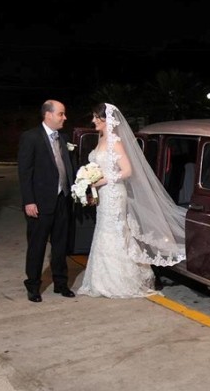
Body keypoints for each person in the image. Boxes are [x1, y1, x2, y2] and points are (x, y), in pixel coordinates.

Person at [76, 103, 186, 298]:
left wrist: (104, 180)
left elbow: (127, 170)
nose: (93, 121)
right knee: (103, 231)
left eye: (95, 117)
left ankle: (121, 280)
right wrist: (90, 182)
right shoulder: (100, 139)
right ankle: (101, 279)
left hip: (114, 193)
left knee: (116, 231)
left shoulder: (115, 142)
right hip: (103, 193)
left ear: (106, 119)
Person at [17, 99, 75, 302]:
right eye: (61, 113)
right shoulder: (31, 137)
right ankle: (33, 286)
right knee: (37, 246)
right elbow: (24, 172)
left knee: (61, 245)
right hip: (39, 203)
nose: (64, 118)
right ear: (48, 115)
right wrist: (29, 201)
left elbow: (68, 168)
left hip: (62, 200)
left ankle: (61, 284)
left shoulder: (63, 138)